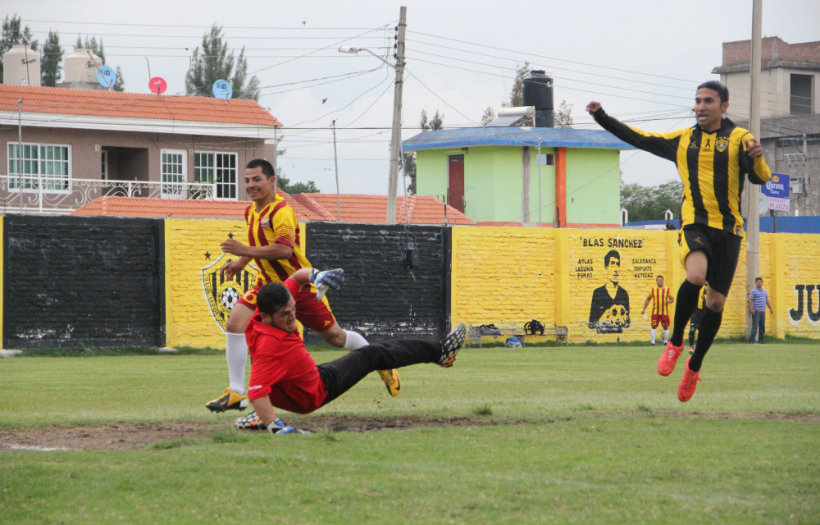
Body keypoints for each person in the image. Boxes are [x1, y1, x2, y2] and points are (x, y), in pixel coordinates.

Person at [587, 80, 772, 402]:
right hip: (694, 222)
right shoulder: (683, 140)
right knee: (695, 276)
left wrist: (757, 157)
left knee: (715, 303)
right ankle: (674, 343)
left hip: (729, 230)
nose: (700, 106)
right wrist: (602, 116)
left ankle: (694, 366)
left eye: (708, 101)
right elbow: (640, 139)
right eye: (698, 101)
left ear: (724, 106)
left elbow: (760, 177)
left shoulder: (740, 138)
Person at [206, 159, 400, 428]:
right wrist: (241, 263)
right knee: (235, 323)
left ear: (272, 181)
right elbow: (257, 244)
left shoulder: (282, 212)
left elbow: (284, 250)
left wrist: (242, 252)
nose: (250, 185)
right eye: (247, 180)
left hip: (298, 286)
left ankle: (380, 360)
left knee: (335, 337)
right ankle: (237, 392)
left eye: (256, 180)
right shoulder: (250, 212)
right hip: (267, 285)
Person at [247, 267, 467, 433]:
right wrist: (275, 427)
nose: (292, 317)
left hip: (299, 379)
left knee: (365, 354)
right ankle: (441, 352)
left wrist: (316, 275)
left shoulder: (263, 315)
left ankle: (259, 415)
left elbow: (296, 278)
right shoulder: (270, 346)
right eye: (285, 314)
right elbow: (256, 390)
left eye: (292, 309)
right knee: (372, 354)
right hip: (313, 392)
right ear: (266, 317)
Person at [588, 249, 631, 334]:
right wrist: (603, 319)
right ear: (606, 268)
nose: (616, 269)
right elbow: (591, 324)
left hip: (619, 339)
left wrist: (623, 319)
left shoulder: (624, 293)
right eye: (612, 264)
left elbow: (628, 324)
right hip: (601, 338)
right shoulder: (597, 293)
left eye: (617, 264)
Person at [641, 275, 674, 345]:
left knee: (665, 326)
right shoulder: (653, 290)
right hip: (655, 312)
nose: (659, 282)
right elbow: (648, 299)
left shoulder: (667, 289)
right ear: (656, 281)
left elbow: (672, 299)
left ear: (663, 281)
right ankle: (653, 342)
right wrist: (644, 309)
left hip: (664, 312)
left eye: (661, 280)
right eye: (658, 280)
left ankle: (665, 341)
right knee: (653, 326)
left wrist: (669, 301)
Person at [748, 277, 774, 344]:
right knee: (755, 326)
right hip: (756, 311)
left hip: (763, 311)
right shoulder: (753, 291)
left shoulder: (764, 291)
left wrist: (771, 308)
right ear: (755, 283)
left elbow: (767, 300)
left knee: (762, 326)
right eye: (758, 281)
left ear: (762, 283)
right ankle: (752, 340)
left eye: (760, 281)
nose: (759, 283)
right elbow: (750, 300)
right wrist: (751, 309)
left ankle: (761, 340)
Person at [687, 284, 708, 354]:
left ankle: (701, 349)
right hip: (695, 312)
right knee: (692, 330)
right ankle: (691, 347)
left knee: (703, 332)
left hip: (703, 313)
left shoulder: (707, 289)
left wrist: (705, 298)